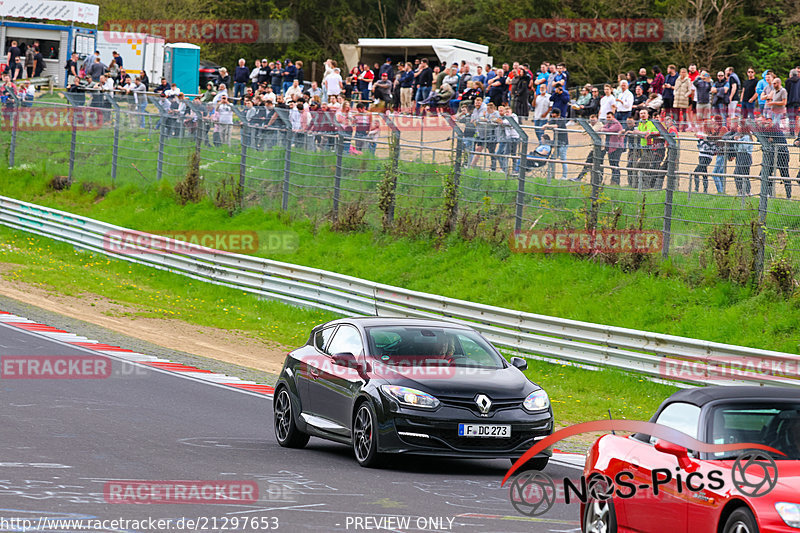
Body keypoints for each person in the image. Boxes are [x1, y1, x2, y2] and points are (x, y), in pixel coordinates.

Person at [543, 108, 569, 180]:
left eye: (553, 114)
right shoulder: (553, 120)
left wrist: (546, 126)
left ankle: (564, 176)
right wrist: (546, 125)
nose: (552, 115)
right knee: (552, 159)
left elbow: (556, 126)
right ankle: (552, 175)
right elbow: (548, 123)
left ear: (558, 115)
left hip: (563, 143)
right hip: (557, 143)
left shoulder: (561, 120)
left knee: (563, 159)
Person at [602, 112, 624, 185]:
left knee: (615, 164)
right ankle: (614, 181)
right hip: (611, 147)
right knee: (612, 164)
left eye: (609, 117)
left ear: (613, 117)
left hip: (617, 147)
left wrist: (603, 129)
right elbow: (603, 128)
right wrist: (603, 128)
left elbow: (609, 130)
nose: (608, 119)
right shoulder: (609, 123)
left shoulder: (616, 124)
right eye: (607, 117)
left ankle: (616, 181)